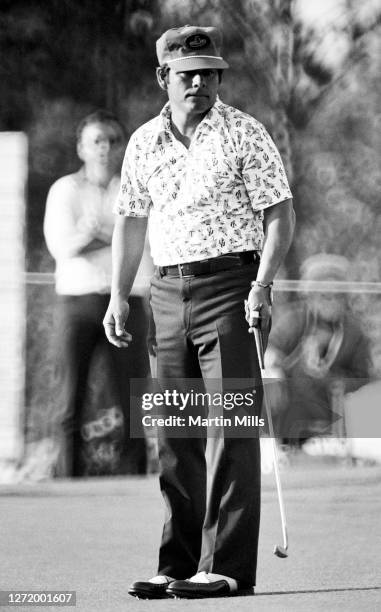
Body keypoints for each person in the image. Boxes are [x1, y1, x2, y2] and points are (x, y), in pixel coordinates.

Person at [103, 25, 295, 599]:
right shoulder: (143, 142)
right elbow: (131, 221)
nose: (201, 84)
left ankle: (226, 567)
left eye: (210, 74)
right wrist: (118, 294)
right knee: (173, 431)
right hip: (165, 293)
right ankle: (178, 564)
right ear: (164, 77)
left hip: (233, 287)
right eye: (188, 75)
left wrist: (263, 282)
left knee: (231, 428)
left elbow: (279, 213)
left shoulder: (244, 132)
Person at [44, 109, 152, 477]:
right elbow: (63, 246)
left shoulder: (135, 187)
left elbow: (145, 246)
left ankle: (133, 476)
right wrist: (116, 236)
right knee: (69, 397)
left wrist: (97, 233)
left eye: (111, 141)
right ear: (81, 148)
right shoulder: (65, 190)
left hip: (128, 300)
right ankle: (68, 478)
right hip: (79, 302)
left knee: (132, 396)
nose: (104, 148)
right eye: (96, 141)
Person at [266, 254, 371, 449]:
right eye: (324, 295)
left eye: (337, 296)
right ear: (310, 295)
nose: (330, 301)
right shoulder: (296, 319)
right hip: (289, 403)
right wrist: (276, 366)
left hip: (330, 407)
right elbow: (270, 350)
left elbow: (363, 377)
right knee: (270, 380)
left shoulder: (354, 333)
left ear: (345, 298)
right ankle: (274, 447)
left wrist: (334, 380)